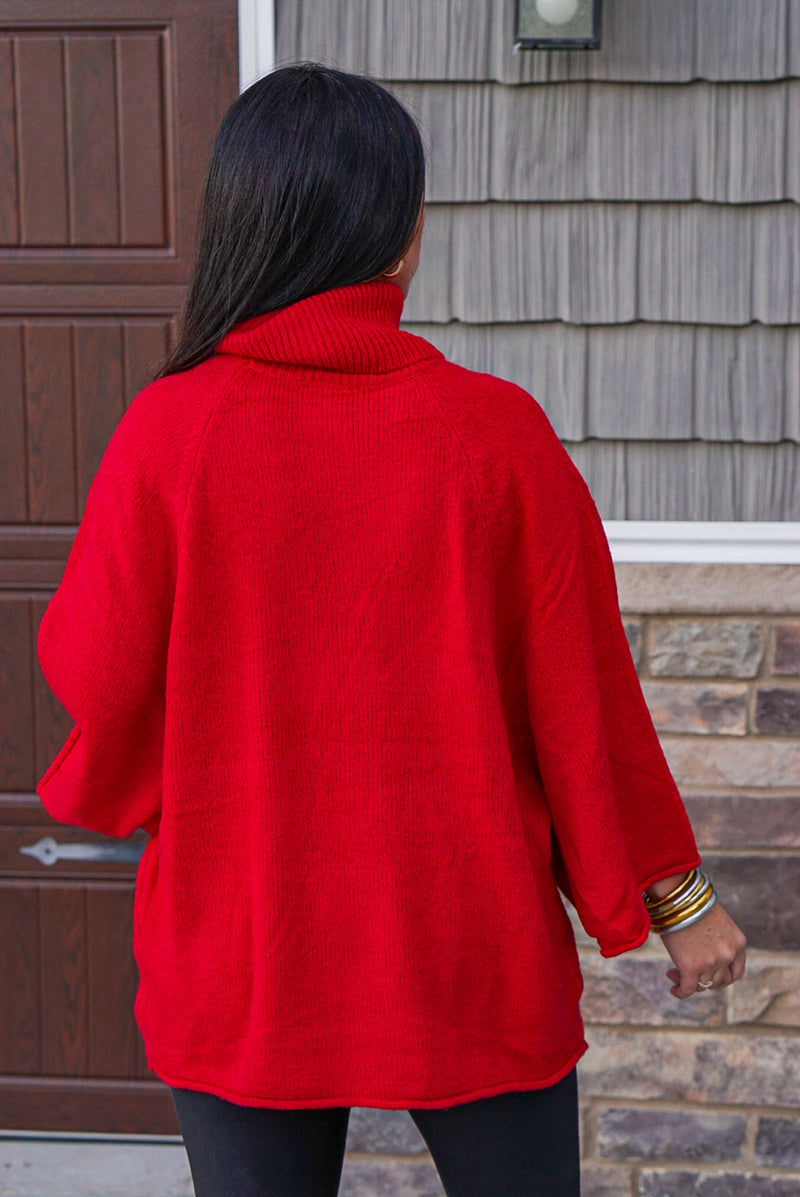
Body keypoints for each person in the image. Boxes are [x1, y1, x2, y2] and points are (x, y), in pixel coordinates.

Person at [35, 62, 747, 1197]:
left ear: (242, 228)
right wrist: (676, 900)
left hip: (246, 942)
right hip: (466, 942)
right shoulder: (494, 437)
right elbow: (585, 701)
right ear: (403, 234)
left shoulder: (168, 434)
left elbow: (96, 674)